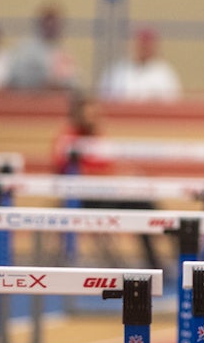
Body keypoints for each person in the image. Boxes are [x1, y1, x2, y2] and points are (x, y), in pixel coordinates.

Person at [51, 91, 163, 270]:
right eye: (88, 115)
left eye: (95, 114)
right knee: (140, 203)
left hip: (108, 195)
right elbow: (67, 172)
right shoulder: (67, 139)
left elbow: (109, 166)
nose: (93, 119)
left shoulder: (98, 137)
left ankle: (156, 257)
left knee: (143, 204)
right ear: (78, 116)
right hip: (83, 200)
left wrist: (126, 175)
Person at [6, 2, 78, 91]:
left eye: (55, 24)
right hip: (28, 99)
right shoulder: (26, 49)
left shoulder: (62, 51)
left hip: (54, 100)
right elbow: (14, 78)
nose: (52, 27)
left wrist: (59, 85)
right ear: (41, 24)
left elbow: (72, 82)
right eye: (48, 23)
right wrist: (41, 83)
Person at [98, 27, 182, 102]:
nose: (144, 48)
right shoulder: (117, 71)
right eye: (141, 44)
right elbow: (105, 99)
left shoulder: (164, 72)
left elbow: (172, 101)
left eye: (147, 45)